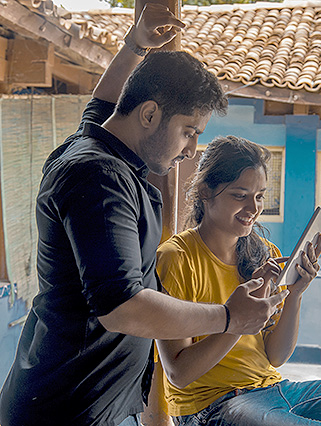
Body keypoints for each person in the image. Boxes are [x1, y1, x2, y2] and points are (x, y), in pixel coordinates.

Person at [0, 5, 286, 426]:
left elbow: (103, 104)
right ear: (149, 114)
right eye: (189, 131)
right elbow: (122, 307)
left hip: (87, 402)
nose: (191, 150)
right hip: (67, 407)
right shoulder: (98, 178)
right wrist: (229, 317)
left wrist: (135, 45)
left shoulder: (98, 143)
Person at [155, 135, 321, 426]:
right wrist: (236, 322)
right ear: (206, 192)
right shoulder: (177, 258)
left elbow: (275, 356)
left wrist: (295, 294)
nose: (253, 208)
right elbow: (178, 374)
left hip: (275, 391)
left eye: (259, 196)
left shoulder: (263, 254)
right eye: (239, 195)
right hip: (215, 406)